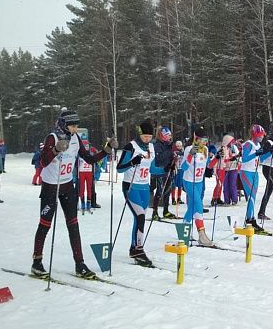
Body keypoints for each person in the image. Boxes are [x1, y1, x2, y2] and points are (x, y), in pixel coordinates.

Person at [31, 110, 117, 278]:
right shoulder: (52, 137)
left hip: (68, 186)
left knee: (73, 224)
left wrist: (106, 150)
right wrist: (55, 150)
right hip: (50, 186)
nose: (75, 129)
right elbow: (42, 162)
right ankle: (37, 262)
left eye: (76, 126)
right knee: (45, 224)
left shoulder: (76, 139)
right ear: (63, 124)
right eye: (72, 126)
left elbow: (89, 159)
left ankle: (80, 264)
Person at [116, 120, 156, 266]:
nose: (147, 139)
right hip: (131, 187)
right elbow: (119, 168)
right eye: (145, 136)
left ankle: (134, 248)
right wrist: (132, 162)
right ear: (140, 134)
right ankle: (139, 249)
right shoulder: (130, 147)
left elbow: (152, 168)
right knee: (140, 216)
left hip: (145, 188)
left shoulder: (151, 147)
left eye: (149, 136)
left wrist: (166, 168)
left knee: (140, 218)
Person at [182, 126, 217, 245]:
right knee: (198, 205)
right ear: (196, 138)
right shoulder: (189, 149)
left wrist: (217, 158)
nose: (204, 142)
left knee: (192, 207)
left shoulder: (206, 149)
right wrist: (191, 155)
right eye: (201, 140)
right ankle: (201, 235)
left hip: (199, 182)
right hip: (189, 181)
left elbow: (208, 166)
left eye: (205, 140)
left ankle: (184, 230)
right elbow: (184, 167)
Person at [239, 124, 267, 231]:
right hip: (246, 172)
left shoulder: (258, 145)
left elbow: (261, 159)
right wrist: (256, 153)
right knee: (250, 196)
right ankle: (250, 220)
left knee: (253, 197)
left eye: (262, 135)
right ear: (255, 135)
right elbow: (245, 159)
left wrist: (270, 152)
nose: (262, 137)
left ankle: (250, 219)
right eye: (260, 135)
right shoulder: (248, 144)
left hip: (255, 173)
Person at [150, 126, 178, 220]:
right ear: (162, 135)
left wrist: (173, 160)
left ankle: (165, 211)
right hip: (159, 171)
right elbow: (159, 158)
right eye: (167, 135)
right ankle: (155, 212)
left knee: (168, 190)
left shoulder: (168, 144)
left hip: (168, 170)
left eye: (170, 135)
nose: (169, 137)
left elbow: (170, 156)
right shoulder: (157, 145)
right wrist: (170, 152)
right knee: (159, 191)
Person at [220, 134, 241, 205]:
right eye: (231, 142)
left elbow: (238, 155)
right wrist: (229, 159)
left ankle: (234, 199)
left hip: (233, 168)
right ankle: (227, 200)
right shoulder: (222, 149)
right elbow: (222, 160)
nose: (232, 143)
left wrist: (237, 158)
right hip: (225, 169)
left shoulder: (233, 147)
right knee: (226, 185)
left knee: (233, 184)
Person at [77, 138, 95, 214]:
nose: (86, 147)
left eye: (87, 145)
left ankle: (88, 204)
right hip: (81, 172)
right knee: (82, 189)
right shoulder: (79, 154)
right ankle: (82, 204)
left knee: (89, 188)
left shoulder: (91, 154)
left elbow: (95, 162)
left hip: (89, 172)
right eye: (85, 145)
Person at [171, 140, 185, 205]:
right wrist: (175, 157)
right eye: (177, 146)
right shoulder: (174, 151)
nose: (179, 147)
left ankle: (179, 198)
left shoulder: (183, 151)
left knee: (180, 184)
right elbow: (172, 159)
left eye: (180, 146)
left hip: (181, 169)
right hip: (175, 169)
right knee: (173, 184)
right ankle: (173, 199)